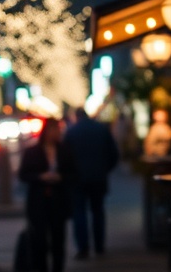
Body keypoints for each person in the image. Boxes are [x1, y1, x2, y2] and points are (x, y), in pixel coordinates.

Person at [19, 118, 75, 272]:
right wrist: (40, 177)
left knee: (58, 240)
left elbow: (74, 173)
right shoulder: (33, 151)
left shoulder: (64, 150)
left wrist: (61, 177)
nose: (54, 133)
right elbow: (23, 174)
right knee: (39, 241)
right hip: (39, 201)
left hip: (58, 201)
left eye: (56, 130)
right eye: (51, 130)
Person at [63, 107, 120, 260]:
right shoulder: (101, 129)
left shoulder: (71, 132)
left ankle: (83, 248)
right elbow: (114, 154)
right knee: (98, 211)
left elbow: (65, 158)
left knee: (79, 212)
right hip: (98, 178)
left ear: (76, 117)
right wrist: (104, 169)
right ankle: (99, 246)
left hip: (78, 179)